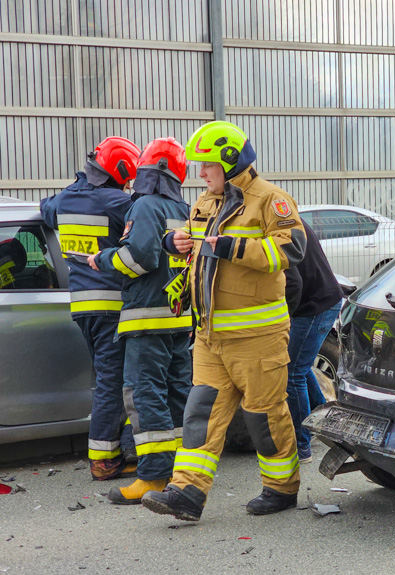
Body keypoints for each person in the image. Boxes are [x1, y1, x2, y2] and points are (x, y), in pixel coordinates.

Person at [141, 121, 306, 522]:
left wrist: (235, 247)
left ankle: (281, 489)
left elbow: (291, 249)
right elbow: (195, 252)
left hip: (258, 336)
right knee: (200, 414)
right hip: (210, 336)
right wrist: (174, 244)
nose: (200, 173)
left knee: (264, 416)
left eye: (208, 166)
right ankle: (186, 493)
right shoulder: (204, 203)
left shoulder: (270, 199)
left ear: (230, 163)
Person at [88, 137, 194, 504]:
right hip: (178, 320)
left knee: (144, 394)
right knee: (179, 395)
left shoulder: (145, 205)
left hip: (146, 320)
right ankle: (182, 472)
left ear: (147, 172)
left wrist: (103, 259)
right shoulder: (183, 206)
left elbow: (140, 258)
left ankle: (151, 478)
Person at [40, 137, 140, 481]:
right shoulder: (118, 201)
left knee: (111, 380)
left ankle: (124, 449)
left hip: (82, 307)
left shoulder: (65, 199)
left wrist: (78, 183)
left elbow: (45, 207)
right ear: (121, 171)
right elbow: (147, 226)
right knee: (116, 383)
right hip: (113, 306)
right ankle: (102, 460)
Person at [284, 220, 343, 463]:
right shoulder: (288, 219)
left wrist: (283, 318)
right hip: (320, 300)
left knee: (292, 372)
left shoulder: (277, 226)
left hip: (314, 307)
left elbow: (293, 283)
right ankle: (329, 421)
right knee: (299, 365)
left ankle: (301, 445)